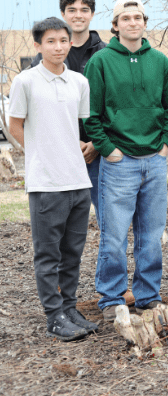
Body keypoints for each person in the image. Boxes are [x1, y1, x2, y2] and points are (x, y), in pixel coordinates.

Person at [84, 0, 168, 320]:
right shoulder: (100, 62)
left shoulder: (161, 62)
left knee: (151, 235)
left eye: (138, 17)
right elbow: (91, 114)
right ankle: (111, 298)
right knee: (114, 233)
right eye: (126, 18)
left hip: (154, 158)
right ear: (116, 25)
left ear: (145, 23)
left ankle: (148, 295)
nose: (133, 22)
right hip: (118, 161)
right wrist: (108, 149)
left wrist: (165, 145)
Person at [8, 17, 98, 340]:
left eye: (63, 40)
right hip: (46, 183)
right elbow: (15, 123)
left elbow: (71, 126)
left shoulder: (79, 82)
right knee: (48, 254)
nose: (58, 46)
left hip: (78, 180)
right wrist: (38, 152)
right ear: (38, 45)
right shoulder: (26, 82)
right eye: (50, 41)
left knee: (73, 251)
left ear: (70, 42)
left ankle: (70, 307)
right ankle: (53, 316)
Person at [30, 0, 106, 223]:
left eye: (84, 10)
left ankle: (106, 261)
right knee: (60, 223)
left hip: (98, 152)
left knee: (107, 219)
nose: (78, 15)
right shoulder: (46, 56)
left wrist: (97, 143)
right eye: (71, 10)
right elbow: (38, 108)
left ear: (92, 14)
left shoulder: (106, 53)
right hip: (59, 154)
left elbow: (112, 104)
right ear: (63, 14)